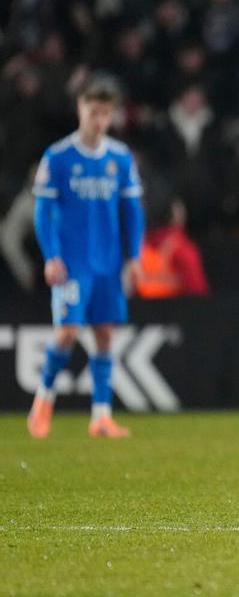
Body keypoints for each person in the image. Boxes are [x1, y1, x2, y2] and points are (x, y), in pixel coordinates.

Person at [27, 73, 145, 439]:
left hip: (107, 261)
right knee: (66, 333)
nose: (99, 121)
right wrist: (51, 256)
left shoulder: (120, 157)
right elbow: (43, 212)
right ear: (80, 108)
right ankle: (43, 401)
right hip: (73, 262)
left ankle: (101, 416)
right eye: (94, 111)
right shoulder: (58, 157)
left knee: (106, 334)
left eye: (105, 114)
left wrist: (134, 256)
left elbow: (133, 210)